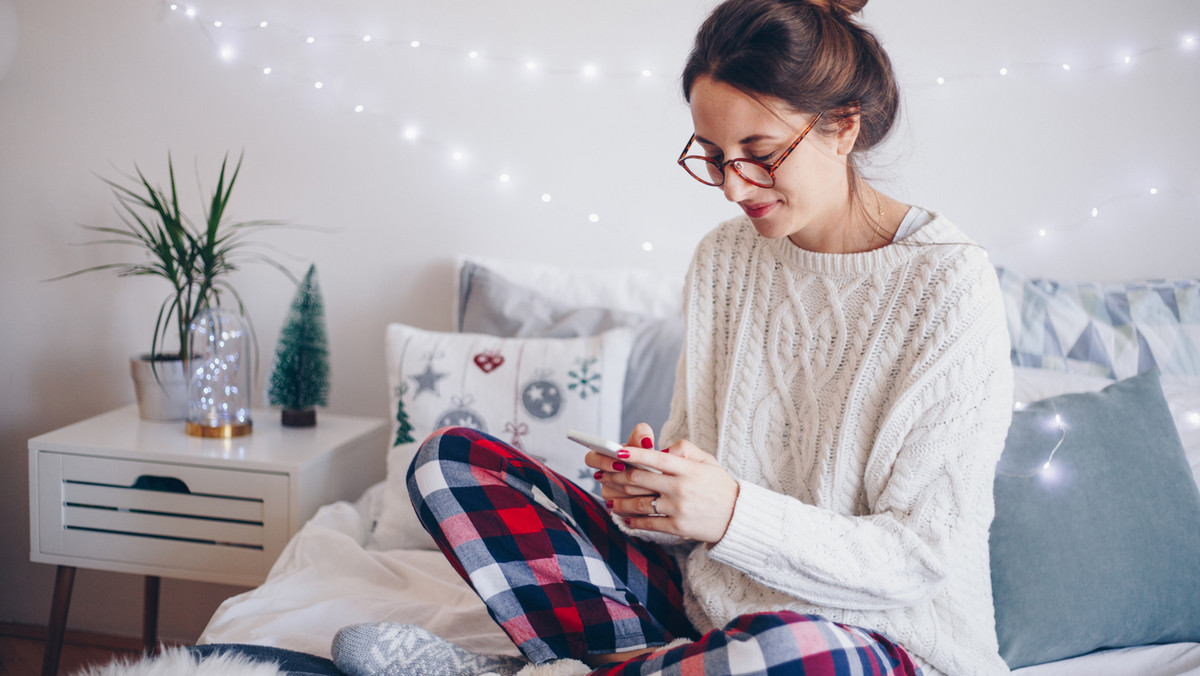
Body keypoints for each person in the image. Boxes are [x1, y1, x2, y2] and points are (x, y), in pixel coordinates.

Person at [331, 0, 1014, 674]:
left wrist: (731, 514)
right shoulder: (724, 259)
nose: (732, 187)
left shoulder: (947, 284)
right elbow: (702, 478)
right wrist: (654, 496)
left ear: (842, 126)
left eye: (761, 153)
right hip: (703, 615)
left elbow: (919, 558)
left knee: (788, 651)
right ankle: (648, 663)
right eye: (714, 157)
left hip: (874, 643)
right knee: (450, 463)